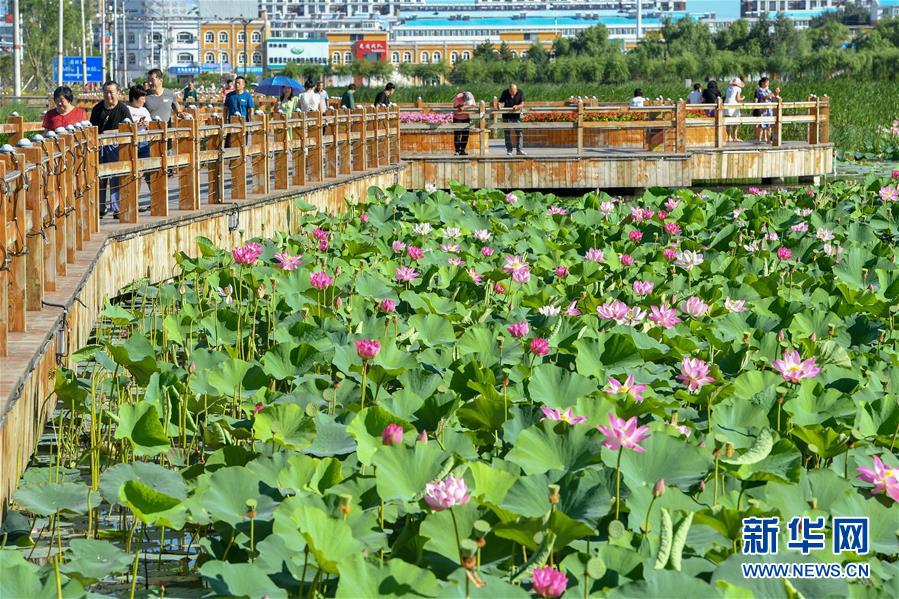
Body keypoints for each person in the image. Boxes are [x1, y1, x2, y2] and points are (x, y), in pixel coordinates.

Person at [90, 80, 131, 218]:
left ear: (118, 93)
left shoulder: (123, 110)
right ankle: (100, 208)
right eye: (106, 92)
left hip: (116, 147)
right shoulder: (97, 109)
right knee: (99, 177)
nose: (109, 96)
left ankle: (117, 208)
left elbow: (128, 129)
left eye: (112, 92)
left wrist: (110, 133)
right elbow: (92, 128)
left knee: (115, 177)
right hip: (99, 146)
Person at [126, 86, 152, 212]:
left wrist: (147, 125)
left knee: (145, 173)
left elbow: (152, 125)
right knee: (136, 174)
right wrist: (136, 125)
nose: (144, 100)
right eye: (142, 97)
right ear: (135, 98)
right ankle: (133, 202)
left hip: (145, 143)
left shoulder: (145, 110)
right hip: (132, 143)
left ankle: (154, 199)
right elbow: (123, 126)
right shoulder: (127, 109)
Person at [499, 83, 525, 156]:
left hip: (516, 116)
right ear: (509, 89)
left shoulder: (520, 92)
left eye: (514, 91)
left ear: (516, 89)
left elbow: (522, 103)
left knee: (519, 133)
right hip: (506, 116)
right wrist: (499, 105)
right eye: (511, 91)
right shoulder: (505, 92)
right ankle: (509, 150)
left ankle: (519, 150)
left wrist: (517, 106)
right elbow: (501, 102)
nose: (512, 93)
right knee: (507, 134)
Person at [754, 77, 780, 144]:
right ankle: (759, 140)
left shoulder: (769, 90)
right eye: (766, 82)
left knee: (769, 126)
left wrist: (776, 93)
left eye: (768, 82)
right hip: (762, 110)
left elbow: (773, 97)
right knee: (761, 125)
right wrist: (774, 92)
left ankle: (768, 139)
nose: (768, 83)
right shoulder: (759, 90)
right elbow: (765, 96)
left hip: (769, 110)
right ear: (762, 83)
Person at [452, 91, 475, 156]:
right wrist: (462, 107)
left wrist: (465, 107)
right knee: (457, 135)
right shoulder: (459, 96)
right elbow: (457, 107)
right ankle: (457, 150)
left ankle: (462, 150)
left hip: (466, 118)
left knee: (465, 135)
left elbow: (474, 106)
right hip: (457, 118)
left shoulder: (471, 96)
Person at [724, 77, 745, 142]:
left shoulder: (728, 88)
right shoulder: (738, 88)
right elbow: (738, 99)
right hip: (734, 105)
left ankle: (729, 137)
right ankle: (735, 137)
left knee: (728, 122)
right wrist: (743, 98)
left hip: (727, 104)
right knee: (736, 122)